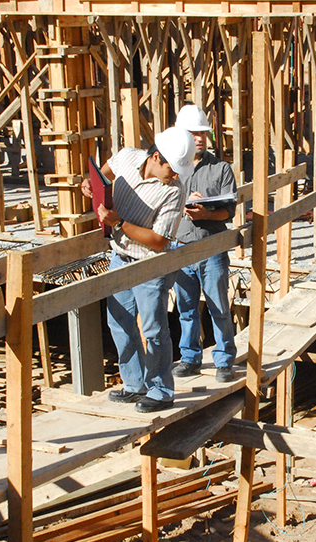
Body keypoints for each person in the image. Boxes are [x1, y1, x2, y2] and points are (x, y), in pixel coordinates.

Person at [81, 126, 196, 413]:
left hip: (149, 265)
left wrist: (119, 223)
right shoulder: (127, 157)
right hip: (120, 257)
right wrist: (90, 184)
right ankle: (135, 384)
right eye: (172, 168)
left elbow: (158, 241)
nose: (176, 174)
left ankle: (161, 391)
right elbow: (103, 174)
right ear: (156, 157)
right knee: (118, 323)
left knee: (154, 330)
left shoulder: (174, 191)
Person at [170, 105, 239, 383]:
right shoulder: (172, 169)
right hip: (181, 247)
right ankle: (189, 358)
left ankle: (224, 361)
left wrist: (205, 213)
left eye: (202, 133)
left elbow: (228, 212)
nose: (199, 138)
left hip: (211, 248)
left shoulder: (221, 169)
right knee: (186, 309)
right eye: (193, 133)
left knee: (218, 307)